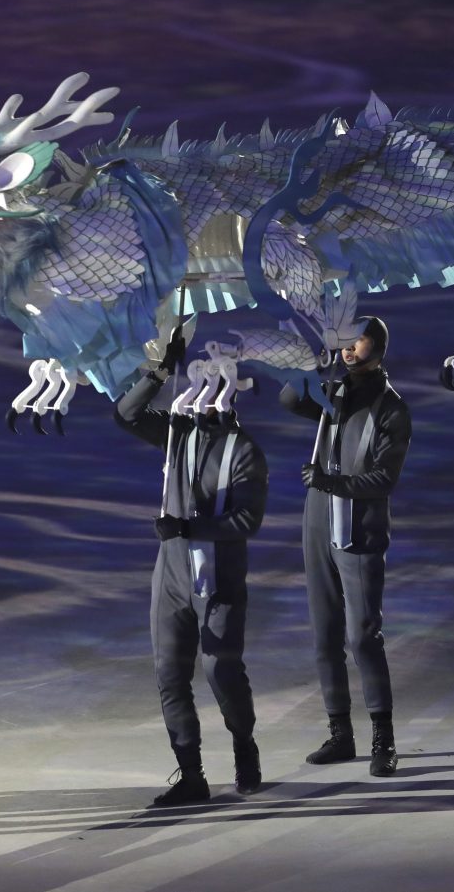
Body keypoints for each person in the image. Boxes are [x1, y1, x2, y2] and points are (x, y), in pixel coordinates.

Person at [114, 335, 269, 806]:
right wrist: (160, 372)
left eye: (214, 384)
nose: (202, 393)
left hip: (218, 578)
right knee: (170, 673)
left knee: (221, 669)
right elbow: (126, 415)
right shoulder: (178, 433)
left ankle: (244, 744)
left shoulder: (243, 450)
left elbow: (247, 520)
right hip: (172, 575)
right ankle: (191, 774)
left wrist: (189, 525)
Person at [279, 316, 412, 777]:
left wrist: (331, 482)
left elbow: (385, 478)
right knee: (325, 634)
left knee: (362, 636)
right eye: (345, 341)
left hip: (360, 528)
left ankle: (383, 737)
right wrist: (312, 362)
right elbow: (289, 398)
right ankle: (340, 733)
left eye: (358, 340)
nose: (349, 348)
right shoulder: (332, 392)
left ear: (378, 346)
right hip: (318, 522)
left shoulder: (391, 407)